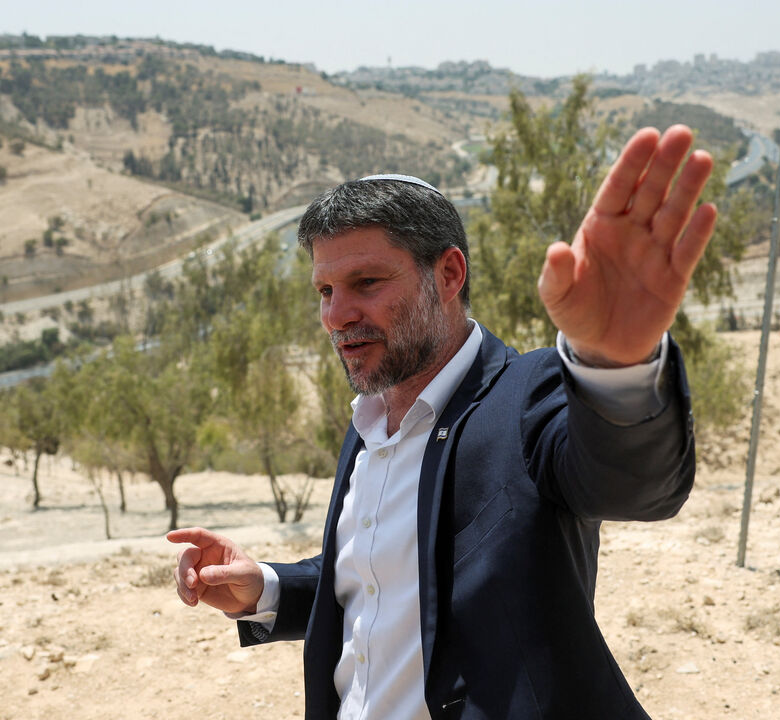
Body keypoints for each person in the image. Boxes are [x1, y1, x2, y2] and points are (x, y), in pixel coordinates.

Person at [168, 124, 717, 720]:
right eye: (324, 289)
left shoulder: (528, 396)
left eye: (366, 283)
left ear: (449, 275)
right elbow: (384, 573)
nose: (336, 315)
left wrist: (616, 364)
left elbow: (635, 484)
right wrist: (268, 586)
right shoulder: (370, 422)